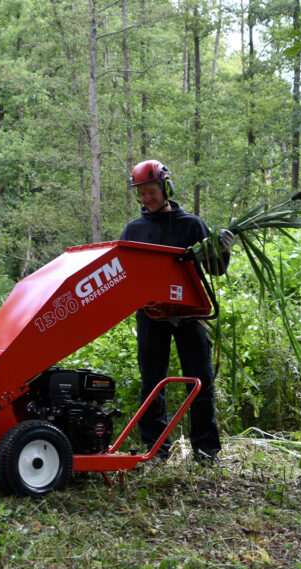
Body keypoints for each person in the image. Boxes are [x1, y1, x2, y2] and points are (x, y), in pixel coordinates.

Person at [119, 160, 234, 464]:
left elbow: (216, 270)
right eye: (141, 193)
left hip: (190, 314)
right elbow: (124, 274)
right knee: (152, 381)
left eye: (151, 191)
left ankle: (206, 451)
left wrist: (222, 250)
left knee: (200, 380)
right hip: (151, 315)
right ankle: (156, 450)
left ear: (166, 188)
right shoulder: (134, 230)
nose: (147, 198)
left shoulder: (192, 225)